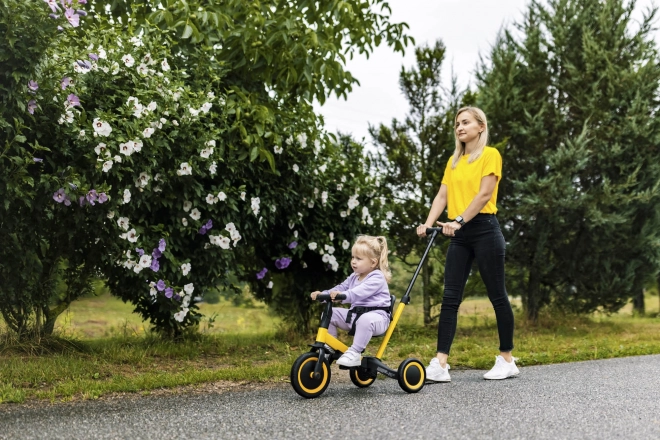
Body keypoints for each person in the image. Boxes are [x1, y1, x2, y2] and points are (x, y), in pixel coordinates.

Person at [416, 106, 519, 381]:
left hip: (485, 229)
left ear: (480, 127)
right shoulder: (454, 161)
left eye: (465, 122)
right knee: (450, 298)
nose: (459, 128)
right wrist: (428, 223)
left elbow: (485, 194)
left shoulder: (490, 155)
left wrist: (459, 219)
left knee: (497, 295)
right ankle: (440, 364)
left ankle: (507, 359)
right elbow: (441, 197)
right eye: (457, 124)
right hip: (458, 234)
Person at [310, 235, 392, 367]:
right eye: (353, 257)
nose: (353, 261)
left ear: (373, 262)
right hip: (354, 315)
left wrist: (341, 296)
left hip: (377, 318)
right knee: (328, 313)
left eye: (359, 258)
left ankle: (355, 352)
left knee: (365, 319)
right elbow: (339, 288)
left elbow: (358, 293)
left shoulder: (377, 277)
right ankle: (330, 347)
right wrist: (323, 295)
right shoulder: (354, 277)